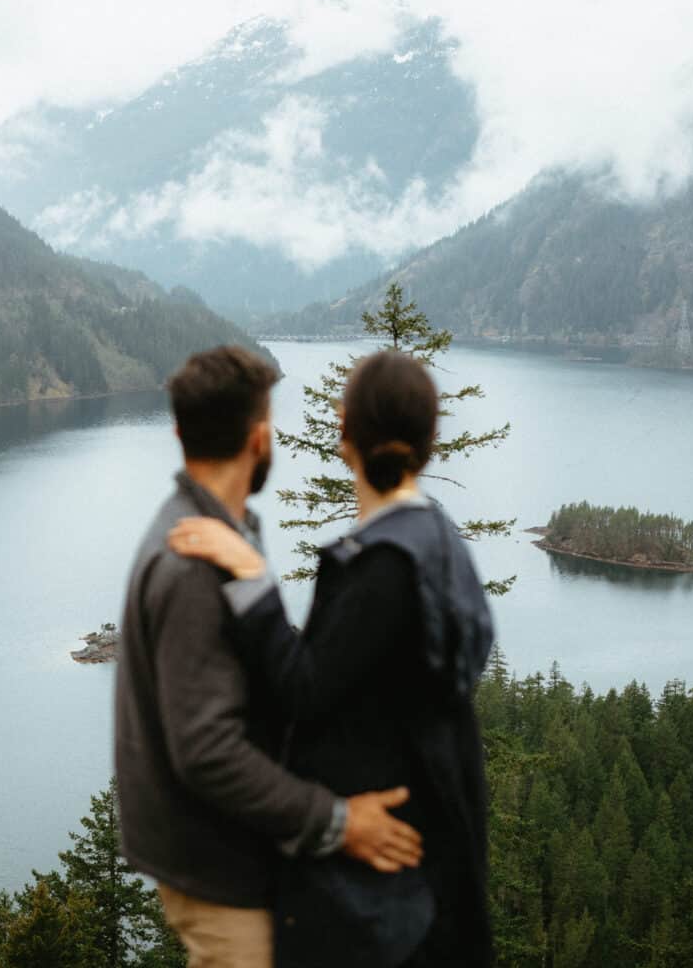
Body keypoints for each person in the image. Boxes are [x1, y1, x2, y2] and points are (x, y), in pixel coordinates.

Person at [168, 349, 495, 967]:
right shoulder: (441, 541)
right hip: (436, 851)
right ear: (427, 440)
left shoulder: (382, 566)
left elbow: (305, 693)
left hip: (380, 892)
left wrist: (251, 579)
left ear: (344, 431)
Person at [114, 345, 425, 968]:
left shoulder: (216, 531)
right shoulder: (194, 562)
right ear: (260, 440)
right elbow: (207, 750)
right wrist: (337, 820)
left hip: (222, 854)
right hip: (220, 871)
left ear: (179, 433)